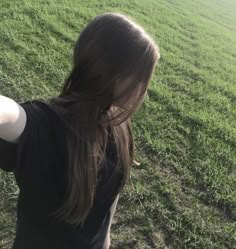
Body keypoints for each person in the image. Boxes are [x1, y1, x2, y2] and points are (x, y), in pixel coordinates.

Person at [0, 12, 160, 249]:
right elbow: (10, 115)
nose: (144, 91)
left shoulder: (119, 125)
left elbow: (109, 201)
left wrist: (105, 241)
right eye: (140, 79)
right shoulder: (47, 126)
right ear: (109, 73)